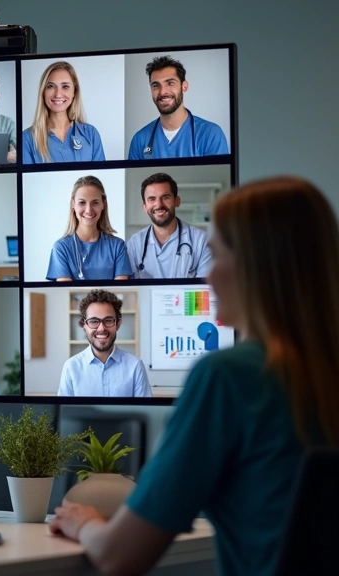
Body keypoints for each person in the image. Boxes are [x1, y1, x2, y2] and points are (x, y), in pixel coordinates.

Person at [48, 176, 339, 576]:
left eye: (218, 259)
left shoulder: (230, 378)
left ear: (258, 268)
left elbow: (120, 555)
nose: (208, 278)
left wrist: (83, 522)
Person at [127, 55, 229, 160]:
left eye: (170, 83)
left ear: (184, 86)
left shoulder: (210, 134)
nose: (163, 92)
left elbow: (217, 176)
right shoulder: (139, 140)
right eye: (156, 85)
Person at [57, 290, 152, 397]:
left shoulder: (135, 366)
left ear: (118, 324)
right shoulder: (71, 367)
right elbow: (66, 413)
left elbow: (143, 412)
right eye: (93, 321)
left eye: (108, 320)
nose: (101, 328)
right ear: (84, 325)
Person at [126, 172, 212, 278]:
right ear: (145, 206)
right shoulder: (135, 244)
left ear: (177, 201)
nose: (159, 204)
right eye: (152, 199)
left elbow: (205, 290)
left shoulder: (201, 241)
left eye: (165, 197)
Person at [46, 175, 131, 281]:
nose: (88, 210)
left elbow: (121, 290)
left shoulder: (118, 246)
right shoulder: (61, 248)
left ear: (103, 204)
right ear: (73, 204)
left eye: (95, 203)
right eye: (82, 202)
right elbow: (65, 292)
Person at [21, 61, 105, 164]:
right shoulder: (27, 138)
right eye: (51, 86)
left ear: (74, 92)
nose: (58, 94)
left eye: (65, 87)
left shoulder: (91, 134)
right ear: (43, 92)